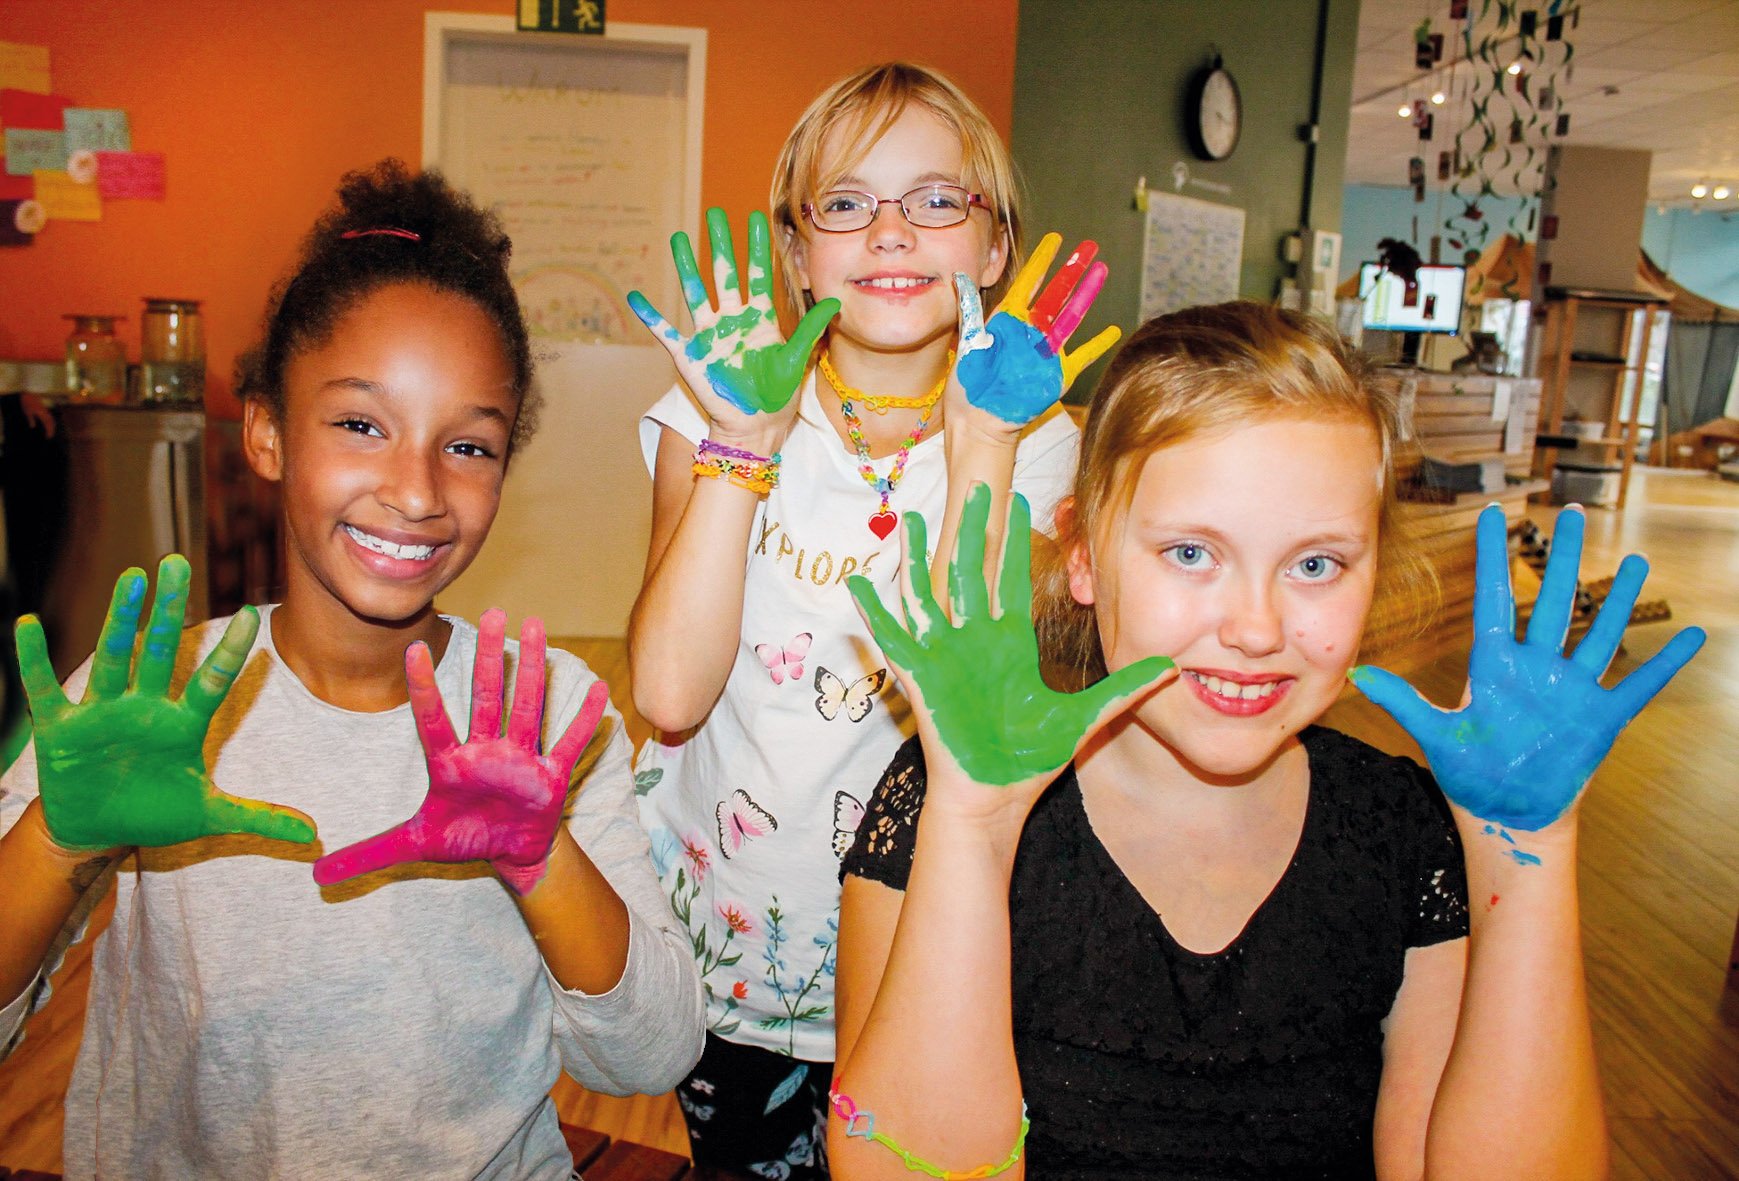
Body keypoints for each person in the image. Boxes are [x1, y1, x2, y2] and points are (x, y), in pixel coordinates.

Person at [833, 301, 1705, 1180]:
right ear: (1084, 556)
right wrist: (974, 828)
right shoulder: (950, 794)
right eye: (1190, 553)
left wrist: (1528, 856)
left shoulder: (1404, 834)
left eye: (1314, 564)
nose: (1255, 628)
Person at [0, 160, 702, 1179]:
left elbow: (650, 1053)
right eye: (361, 425)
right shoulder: (156, 705)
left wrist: (541, 856)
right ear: (267, 431)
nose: (415, 490)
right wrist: (54, 840)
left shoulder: (545, 717)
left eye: (469, 445)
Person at [624, 61, 1117, 1176]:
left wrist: (981, 442)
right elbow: (666, 693)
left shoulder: (1046, 446)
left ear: (994, 246)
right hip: (733, 939)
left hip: (930, 940)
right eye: (845, 203)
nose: (891, 231)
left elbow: (972, 704)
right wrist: (740, 446)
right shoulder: (709, 407)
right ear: (797, 252)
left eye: (936, 199)